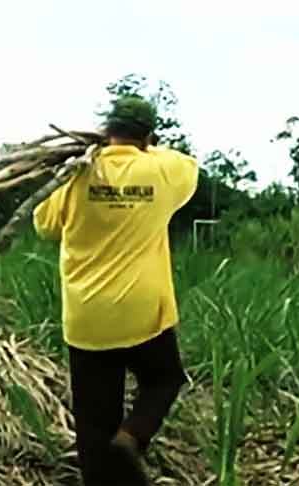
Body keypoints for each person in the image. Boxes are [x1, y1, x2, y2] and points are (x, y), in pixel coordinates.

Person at [32, 96, 199, 485]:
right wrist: (145, 148)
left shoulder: (76, 176)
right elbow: (190, 166)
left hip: (88, 316)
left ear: (107, 129)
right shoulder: (163, 170)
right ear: (148, 136)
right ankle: (132, 437)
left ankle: (104, 471)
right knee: (164, 379)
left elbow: (43, 224)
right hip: (143, 312)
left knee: (93, 423)